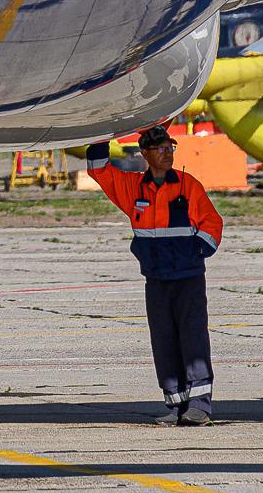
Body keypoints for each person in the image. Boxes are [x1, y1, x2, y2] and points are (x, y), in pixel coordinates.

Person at [83, 126, 224, 425]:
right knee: (163, 340)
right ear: (144, 154)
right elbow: (99, 171)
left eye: (170, 147)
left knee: (193, 338)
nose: (168, 152)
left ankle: (200, 406)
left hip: (188, 277)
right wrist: (99, 128)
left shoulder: (189, 186)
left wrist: (198, 251)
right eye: (160, 149)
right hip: (156, 279)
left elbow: (212, 222)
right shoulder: (133, 188)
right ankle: (175, 404)